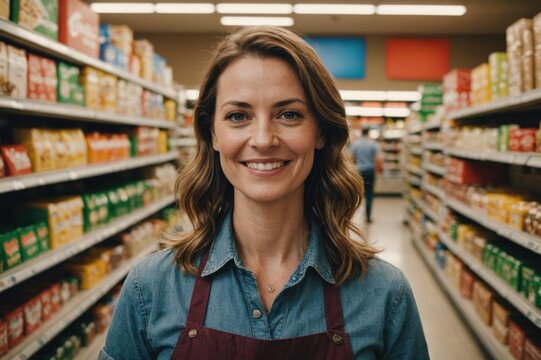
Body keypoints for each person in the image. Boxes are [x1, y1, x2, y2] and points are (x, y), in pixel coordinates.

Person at [99, 26, 429, 360]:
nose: (262, 139)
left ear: (321, 132)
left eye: (289, 114)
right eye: (238, 116)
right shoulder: (152, 287)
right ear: (212, 134)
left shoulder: (385, 294)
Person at [349, 127, 383, 223]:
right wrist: (380, 170)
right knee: (369, 194)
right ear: (368, 133)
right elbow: (378, 159)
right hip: (370, 170)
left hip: (358, 171)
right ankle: (368, 216)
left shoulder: (355, 144)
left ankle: (353, 215)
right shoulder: (373, 144)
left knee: (356, 194)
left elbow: (350, 158)